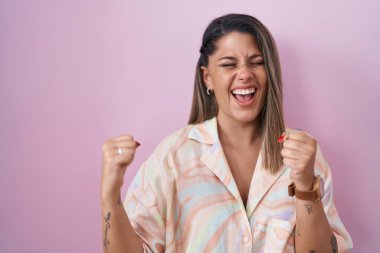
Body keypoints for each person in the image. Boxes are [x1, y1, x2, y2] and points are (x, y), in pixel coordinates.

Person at [100, 13, 353, 253]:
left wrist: (305, 185)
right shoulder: (173, 157)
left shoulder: (304, 154)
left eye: (257, 63)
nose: (244, 74)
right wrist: (110, 196)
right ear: (207, 78)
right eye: (229, 64)